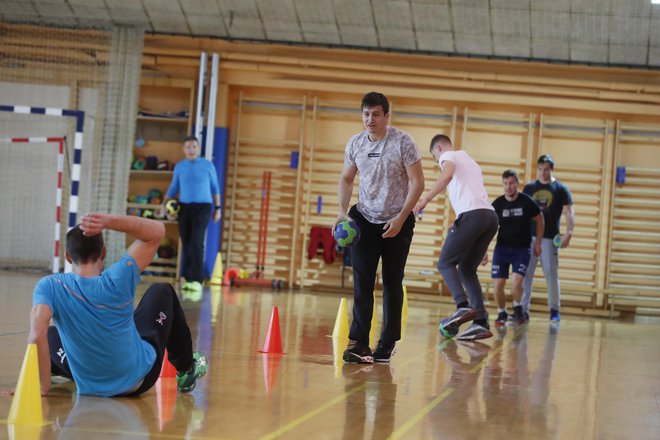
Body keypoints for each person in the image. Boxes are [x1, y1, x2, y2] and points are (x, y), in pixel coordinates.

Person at [28, 213, 208, 397]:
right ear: (103, 253)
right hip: (138, 380)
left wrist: (42, 387)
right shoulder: (119, 277)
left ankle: (62, 372)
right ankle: (187, 369)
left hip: (90, 386)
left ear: (67, 257)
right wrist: (107, 222)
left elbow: (36, 335)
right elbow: (157, 230)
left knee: (49, 335)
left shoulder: (50, 286)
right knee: (162, 290)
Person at [335, 91, 424, 364]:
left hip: (397, 218)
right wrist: (341, 212)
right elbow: (347, 178)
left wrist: (400, 219)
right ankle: (359, 343)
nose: (369, 119)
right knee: (362, 280)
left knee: (391, 281)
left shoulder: (403, 142)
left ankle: (387, 342)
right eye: (365, 114)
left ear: (387, 116)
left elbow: (417, 182)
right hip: (364, 218)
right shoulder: (355, 144)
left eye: (375, 114)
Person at [413, 135, 498, 341]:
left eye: (436, 158)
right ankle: (480, 322)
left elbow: (447, 175)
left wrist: (424, 200)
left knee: (444, 263)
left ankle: (462, 306)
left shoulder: (448, 155)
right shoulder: (469, 160)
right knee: (467, 269)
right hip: (488, 218)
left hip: (473, 216)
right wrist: (481, 243)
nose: (439, 162)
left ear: (439, 148)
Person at [163, 135, 221, 292]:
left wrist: (218, 208)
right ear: (184, 149)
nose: (191, 150)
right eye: (188, 147)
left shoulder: (208, 165)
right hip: (184, 207)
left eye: (194, 147)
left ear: (198, 148)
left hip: (203, 207)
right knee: (187, 243)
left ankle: (197, 280)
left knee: (196, 242)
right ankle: (188, 279)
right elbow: (173, 188)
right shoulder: (180, 166)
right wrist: (165, 206)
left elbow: (215, 189)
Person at [521, 154, 574, 322]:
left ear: (552, 169)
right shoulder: (529, 188)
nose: (543, 172)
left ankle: (554, 310)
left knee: (551, 275)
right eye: (541, 169)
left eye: (546, 169)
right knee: (525, 274)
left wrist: (569, 232)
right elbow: (523, 212)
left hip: (549, 238)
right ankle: (522, 309)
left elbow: (569, 212)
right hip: (529, 237)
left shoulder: (560, 189)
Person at [489, 169, 544, 327]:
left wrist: (538, 243)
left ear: (517, 184)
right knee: (498, 284)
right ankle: (501, 312)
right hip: (502, 249)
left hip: (522, 249)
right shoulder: (498, 204)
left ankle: (518, 308)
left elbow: (540, 220)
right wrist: (483, 249)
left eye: (512, 183)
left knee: (516, 282)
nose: (508, 187)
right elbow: (489, 227)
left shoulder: (526, 202)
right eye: (505, 183)